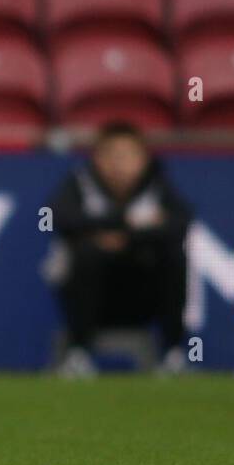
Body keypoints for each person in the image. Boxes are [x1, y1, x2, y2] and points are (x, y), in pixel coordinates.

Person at [46, 121, 193, 376]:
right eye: (111, 155)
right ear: (98, 159)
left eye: (127, 156)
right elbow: (58, 218)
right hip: (90, 296)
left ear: (143, 159)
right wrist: (130, 223)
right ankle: (78, 355)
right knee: (86, 253)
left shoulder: (157, 184)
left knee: (173, 255)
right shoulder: (80, 182)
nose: (119, 164)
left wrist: (125, 236)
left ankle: (173, 355)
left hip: (142, 296)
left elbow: (180, 223)